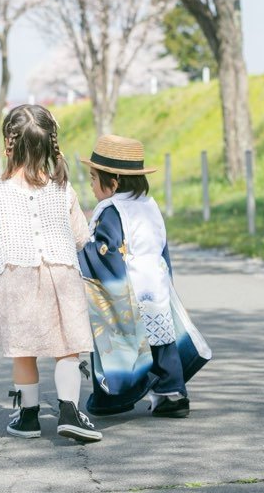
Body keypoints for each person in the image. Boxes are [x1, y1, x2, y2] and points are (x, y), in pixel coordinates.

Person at [0, 104, 102, 443]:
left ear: (8, 145)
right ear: (50, 144)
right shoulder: (63, 190)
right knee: (67, 347)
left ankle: (28, 416)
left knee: (24, 349)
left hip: (15, 278)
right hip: (63, 276)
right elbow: (82, 236)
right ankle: (69, 410)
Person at [80, 135, 199, 418]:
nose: (91, 185)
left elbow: (105, 252)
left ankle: (115, 398)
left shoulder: (112, 211)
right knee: (162, 342)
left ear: (115, 180)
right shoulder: (148, 204)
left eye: (94, 178)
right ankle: (172, 395)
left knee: (122, 345)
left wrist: (81, 252)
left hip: (128, 289)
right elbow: (162, 246)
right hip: (155, 285)